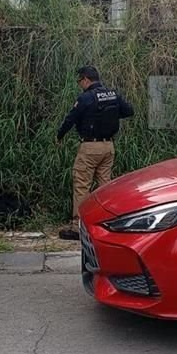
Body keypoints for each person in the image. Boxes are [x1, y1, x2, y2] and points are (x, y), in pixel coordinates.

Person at [55, 65, 134, 240]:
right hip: (109, 147)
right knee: (105, 185)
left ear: (85, 79)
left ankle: (78, 227)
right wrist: (110, 115)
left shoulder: (86, 98)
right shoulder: (113, 94)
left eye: (79, 81)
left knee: (81, 185)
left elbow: (70, 119)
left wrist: (59, 136)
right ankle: (107, 223)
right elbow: (129, 111)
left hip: (90, 147)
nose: (79, 85)